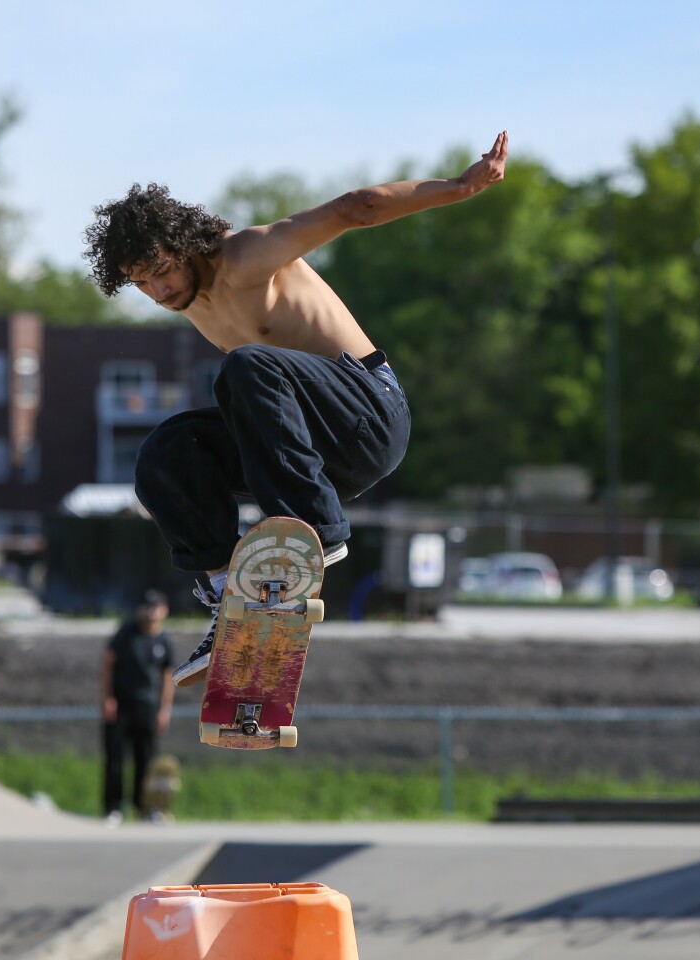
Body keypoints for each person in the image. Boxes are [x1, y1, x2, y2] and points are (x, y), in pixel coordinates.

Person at [84, 130, 510, 685]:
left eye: (163, 270)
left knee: (247, 366)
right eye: (141, 283)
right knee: (165, 452)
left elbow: (353, 209)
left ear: (185, 245)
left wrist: (457, 187)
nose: (159, 291)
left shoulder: (248, 255)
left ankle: (317, 536)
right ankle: (230, 597)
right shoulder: (188, 300)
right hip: (311, 451)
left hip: (368, 417)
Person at [101, 590, 175, 825]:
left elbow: (167, 676)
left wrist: (165, 709)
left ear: (164, 611)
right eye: (147, 607)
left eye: (156, 608)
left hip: (149, 708)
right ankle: (113, 808)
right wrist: (108, 698)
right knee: (115, 760)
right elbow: (108, 663)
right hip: (122, 705)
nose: (151, 613)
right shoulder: (126, 634)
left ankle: (146, 808)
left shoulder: (164, 640)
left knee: (147, 761)